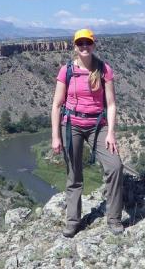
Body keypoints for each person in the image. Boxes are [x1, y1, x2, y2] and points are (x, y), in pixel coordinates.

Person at [51, 28, 124, 238]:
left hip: (97, 125)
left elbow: (111, 104)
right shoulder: (66, 71)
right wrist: (55, 137)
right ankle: (73, 221)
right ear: (75, 46)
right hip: (71, 124)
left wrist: (111, 133)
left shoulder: (104, 69)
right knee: (74, 174)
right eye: (80, 43)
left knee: (115, 166)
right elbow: (56, 105)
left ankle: (114, 218)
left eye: (88, 43)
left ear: (93, 45)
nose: (84, 47)